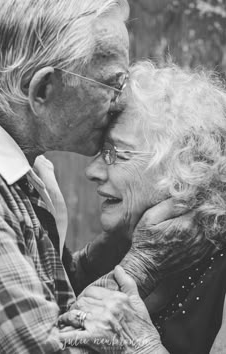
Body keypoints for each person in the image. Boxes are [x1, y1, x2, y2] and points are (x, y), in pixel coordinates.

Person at [0, 1, 176, 353]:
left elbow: (47, 292)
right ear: (43, 90)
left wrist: (129, 245)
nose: (119, 101)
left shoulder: (27, 173)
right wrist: (138, 343)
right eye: (112, 83)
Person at [79, 61, 226, 353]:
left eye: (113, 153)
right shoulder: (120, 242)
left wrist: (140, 346)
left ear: (182, 167)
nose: (91, 171)